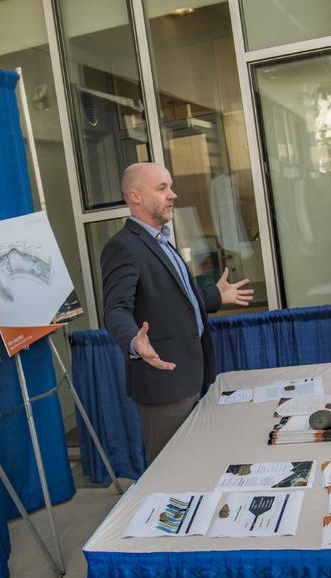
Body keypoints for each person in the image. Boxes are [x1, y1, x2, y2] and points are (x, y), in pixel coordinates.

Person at [101, 162, 254, 463]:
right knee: (169, 472)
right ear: (135, 196)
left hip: (191, 376)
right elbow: (115, 309)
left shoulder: (163, 243)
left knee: (194, 463)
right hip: (164, 385)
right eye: (162, 188)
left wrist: (215, 296)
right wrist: (134, 341)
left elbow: (177, 299)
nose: (172, 194)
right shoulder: (123, 247)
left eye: (170, 186)